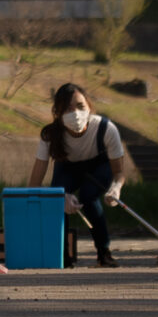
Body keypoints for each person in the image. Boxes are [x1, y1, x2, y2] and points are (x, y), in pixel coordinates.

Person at [29, 82, 126, 267]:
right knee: (57, 202)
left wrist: (116, 189)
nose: (75, 113)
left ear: (89, 107)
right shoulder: (49, 135)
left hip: (98, 165)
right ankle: (62, 257)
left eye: (80, 106)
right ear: (58, 113)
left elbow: (119, 172)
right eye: (67, 109)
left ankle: (104, 253)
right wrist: (58, 197)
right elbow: (34, 183)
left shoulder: (106, 129)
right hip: (67, 167)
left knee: (89, 198)